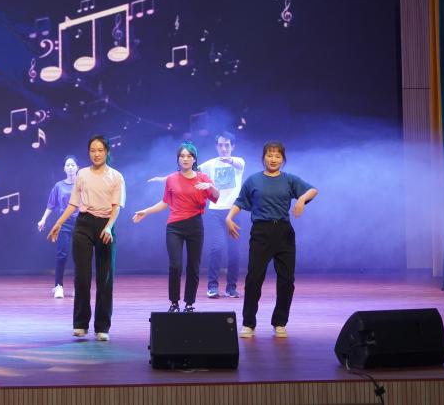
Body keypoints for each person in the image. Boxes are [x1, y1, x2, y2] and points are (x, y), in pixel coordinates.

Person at [226, 141, 318, 339]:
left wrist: (301, 199)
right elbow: (240, 201)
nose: (273, 159)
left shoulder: (289, 179)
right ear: (263, 158)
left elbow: (313, 190)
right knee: (254, 279)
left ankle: (280, 322)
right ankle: (248, 323)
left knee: (287, 280)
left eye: (277, 156)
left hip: (284, 232)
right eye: (269, 155)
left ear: (283, 159)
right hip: (261, 232)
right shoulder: (253, 180)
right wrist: (229, 218)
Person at [48, 135, 125, 341]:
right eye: (92, 150)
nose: (96, 154)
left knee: (104, 278)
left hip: (105, 225)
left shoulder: (116, 176)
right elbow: (73, 203)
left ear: (107, 152)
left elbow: (116, 207)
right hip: (83, 224)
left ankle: (102, 327)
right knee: (82, 277)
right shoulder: (82, 174)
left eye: (100, 150)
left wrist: (109, 228)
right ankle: (80, 324)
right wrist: (58, 223)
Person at [133, 141, 218, 313]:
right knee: (175, 265)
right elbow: (165, 203)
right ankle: (174, 302)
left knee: (193, 266)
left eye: (189, 156)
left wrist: (211, 186)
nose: (185, 159)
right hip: (175, 227)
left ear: (194, 159)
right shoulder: (171, 179)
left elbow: (216, 197)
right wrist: (146, 211)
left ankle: (189, 303)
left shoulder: (203, 178)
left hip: (195, 225)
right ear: (178, 159)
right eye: (182, 156)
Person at [198, 132, 246, 299]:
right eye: (220, 145)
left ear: (233, 146)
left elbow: (236, 162)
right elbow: (189, 172)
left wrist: (228, 160)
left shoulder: (239, 162)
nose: (224, 148)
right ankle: (212, 286)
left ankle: (231, 288)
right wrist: (167, 178)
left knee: (234, 252)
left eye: (227, 145)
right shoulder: (209, 164)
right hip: (215, 212)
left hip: (233, 212)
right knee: (217, 248)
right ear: (216, 146)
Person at [37, 155, 80, 299]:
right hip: (64, 223)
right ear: (64, 169)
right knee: (62, 254)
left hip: (81, 223)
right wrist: (43, 219)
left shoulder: (82, 184)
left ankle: (78, 286)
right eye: (68, 165)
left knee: (80, 256)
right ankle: (58, 286)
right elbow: (51, 204)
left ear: (77, 167)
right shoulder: (59, 186)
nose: (70, 167)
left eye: (73, 165)